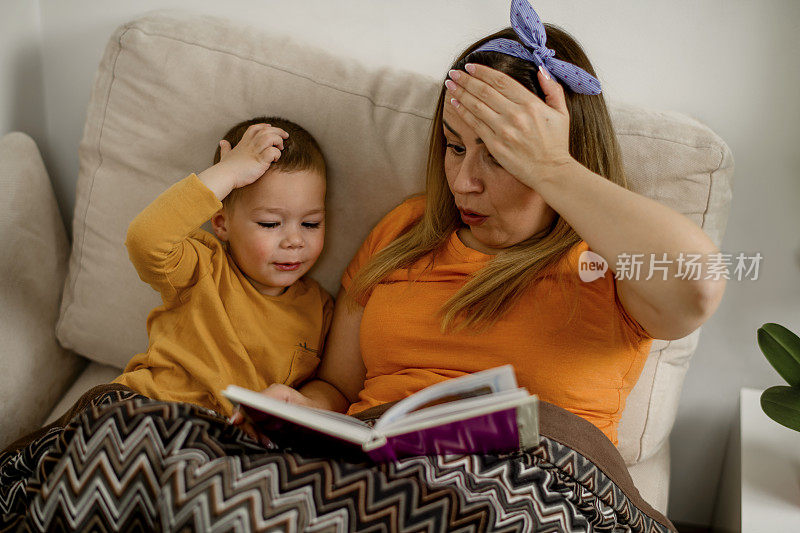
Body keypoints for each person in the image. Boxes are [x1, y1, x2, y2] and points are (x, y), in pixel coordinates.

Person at [243, 0, 726, 446]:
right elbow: (339, 387)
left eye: (499, 157)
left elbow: (697, 284)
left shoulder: (608, 261)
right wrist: (303, 406)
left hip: (537, 487)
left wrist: (552, 169)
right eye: (455, 147)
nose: (463, 182)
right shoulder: (403, 230)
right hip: (379, 474)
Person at [110, 116, 334, 419]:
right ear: (222, 223)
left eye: (311, 223)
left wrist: (302, 403)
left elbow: (328, 385)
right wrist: (228, 172)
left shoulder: (319, 307)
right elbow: (145, 240)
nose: (295, 240)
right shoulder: (203, 266)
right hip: (148, 408)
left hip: (226, 440)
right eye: (270, 223)